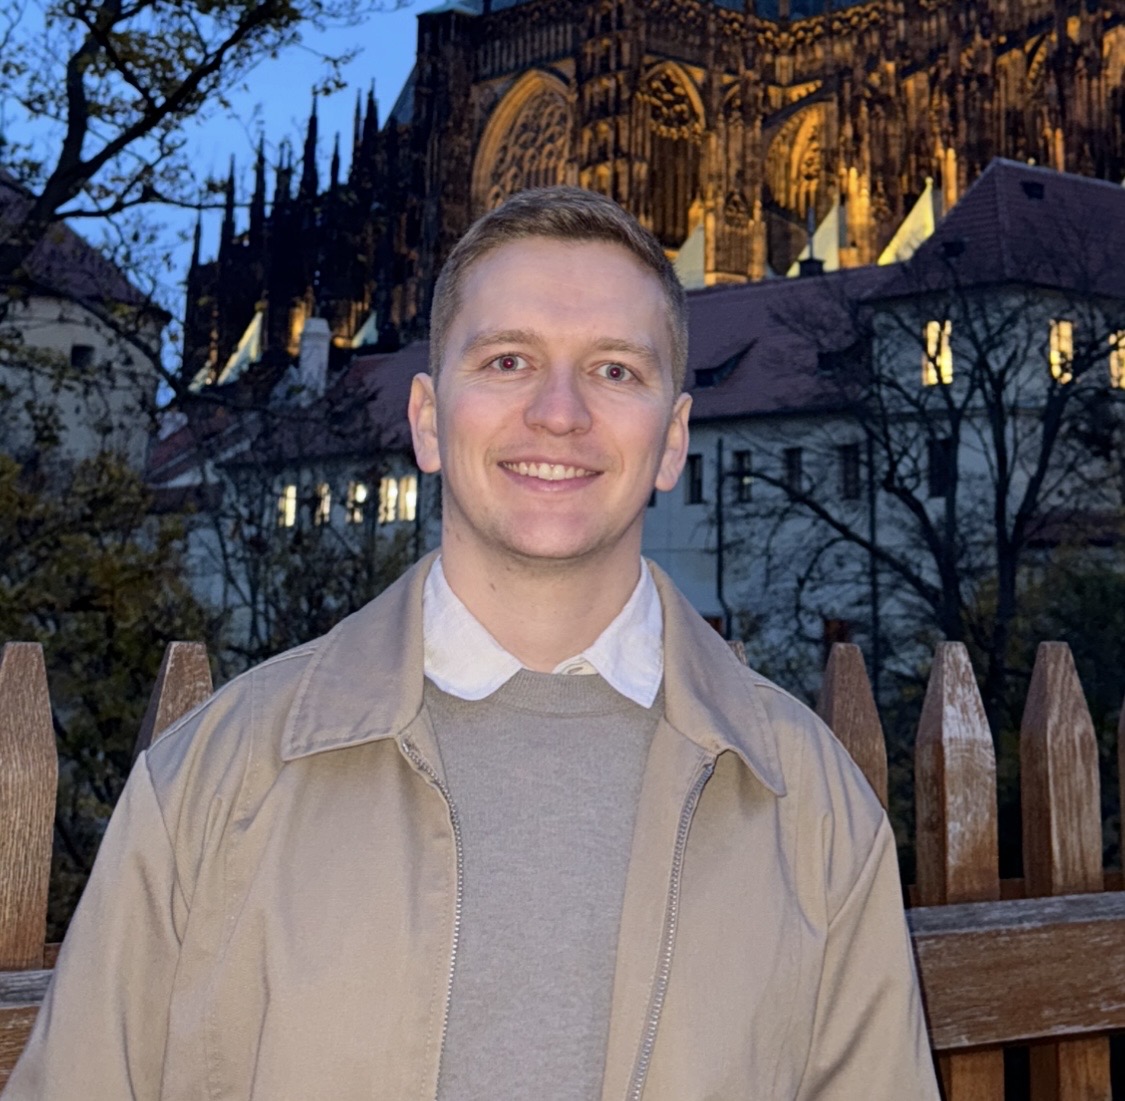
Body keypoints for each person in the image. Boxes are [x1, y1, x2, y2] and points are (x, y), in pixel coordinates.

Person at [4, 187, 940, 1100]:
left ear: (672, 439)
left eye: (615, 370)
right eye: (507, 360)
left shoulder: (815, 808)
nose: (559, 412)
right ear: (425, 420)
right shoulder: (209, 782)